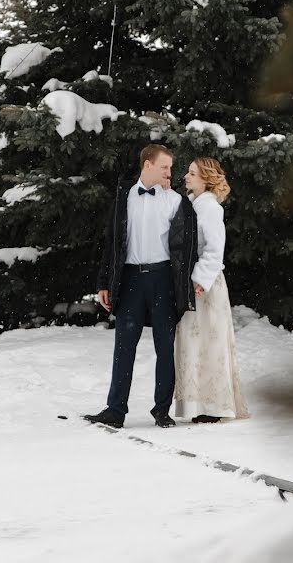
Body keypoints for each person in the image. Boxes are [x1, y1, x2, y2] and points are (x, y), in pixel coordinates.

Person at [84, 144, 198, 429]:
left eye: (170, 168)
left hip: (162, 281)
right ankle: (115, 410)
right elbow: (111, 243)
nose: (170, 173)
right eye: (165, 167)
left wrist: (186, 287)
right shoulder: (124, 197)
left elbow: (187, 251)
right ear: (147, 165)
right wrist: (103, 282)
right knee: (124, 346)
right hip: (130, 279)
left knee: (165, 347)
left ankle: (162, 410)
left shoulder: (176, 201)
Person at [174, 157, 249, 423]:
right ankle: (196, 404)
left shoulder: (209, 208)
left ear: (206, 179)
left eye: (192, 173)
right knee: (194, 343)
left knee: (209, 343)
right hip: (191, 283)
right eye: (187, 172)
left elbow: (214, 250)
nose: (186, 176)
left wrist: (199, 280)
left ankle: (214, 406)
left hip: (205, 286)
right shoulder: (193, 205)